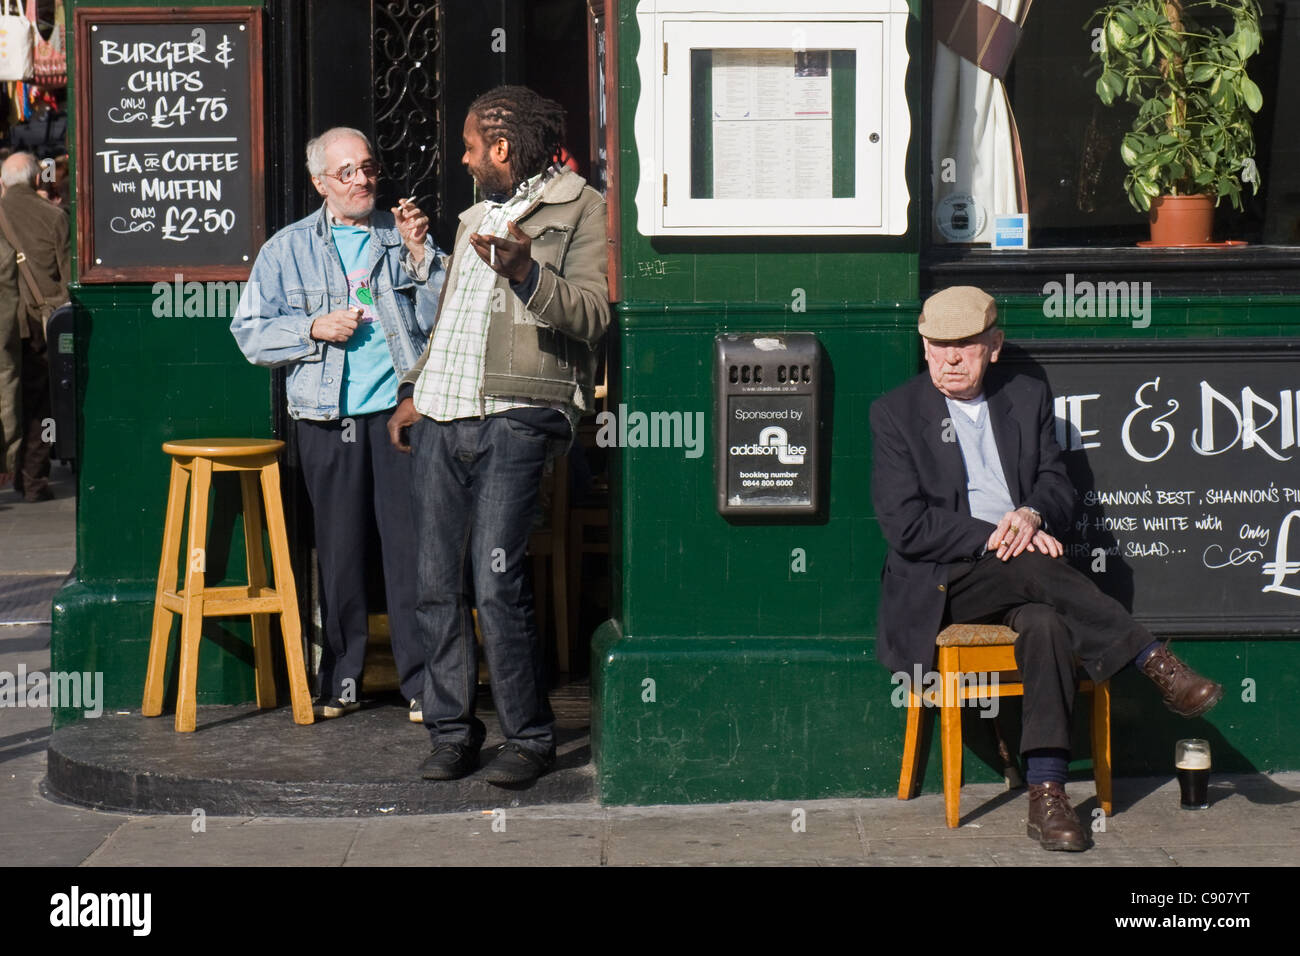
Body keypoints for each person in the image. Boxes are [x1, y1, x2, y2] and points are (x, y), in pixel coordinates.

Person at [870, 285, 1223, 852]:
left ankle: (1046, 795)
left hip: (1027, 576)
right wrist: (1000, 535)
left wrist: (1031, 514)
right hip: (945, 580)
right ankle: (1151, 659)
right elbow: (907, 526)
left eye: (964, 345)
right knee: (1029, 561)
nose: (950, 359)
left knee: (1048, 625)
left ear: (994, 345)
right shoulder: (895, 412)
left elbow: (1057, 484)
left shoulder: (1027, 396)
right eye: (937, 346)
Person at [387, 86, 611, 786]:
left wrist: (527, 272)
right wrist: (415, 389)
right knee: (432, 581)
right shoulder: (475, 216)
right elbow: (453, 315)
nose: (463, 158)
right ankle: (452, 731)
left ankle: (530, 738)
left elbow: (594, 316)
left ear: (502, 149)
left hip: (522, 411)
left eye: (470, 147)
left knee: (496, 577)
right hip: (443, 411)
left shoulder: (582, 207)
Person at [231, 127, 443, 722]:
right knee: (342, 552)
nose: (361, 180)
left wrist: (423, 257)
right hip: (327, 419)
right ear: (320, 182)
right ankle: (341, 680)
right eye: (346, 171)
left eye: (368, 168)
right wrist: (311, 330)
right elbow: (249, 333)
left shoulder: (400, 237)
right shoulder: (287, 249)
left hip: (400, 414)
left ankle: (423, 685)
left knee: (410, 552)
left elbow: (445, 315)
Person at [0, 151, 69, 502]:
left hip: (5, 326)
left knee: (8, 401)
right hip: (40, 326)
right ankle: (34, 479)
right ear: (33, 179)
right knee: (43, 407)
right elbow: (68, 277)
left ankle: (10, 468)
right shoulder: (54, 217)